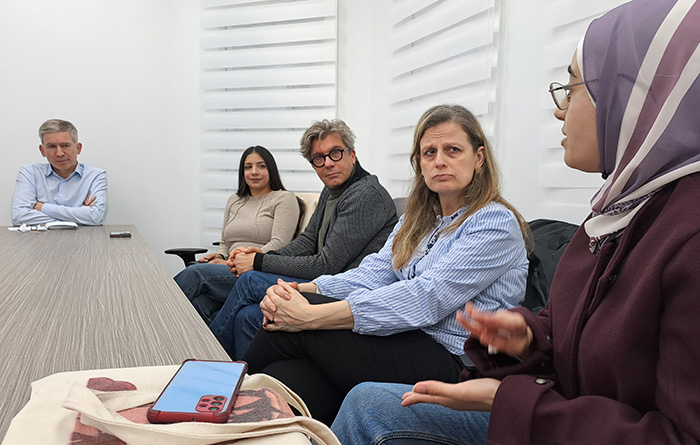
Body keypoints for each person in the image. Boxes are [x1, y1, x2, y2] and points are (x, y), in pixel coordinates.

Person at [331, 0, 700, 443]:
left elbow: (678, 434)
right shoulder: (613, 215)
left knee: (361, 399)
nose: (560, 110)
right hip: (546, 407)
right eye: (429, 153)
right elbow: (581, 345)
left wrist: (518, 402)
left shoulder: (687, 237)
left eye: (572, 88)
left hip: (539, 413)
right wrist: (530, 337)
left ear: (635, 98)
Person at [241, 104, 531, 426]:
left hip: (458, 363)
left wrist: (311, 315)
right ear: (419, 164)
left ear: (478, 158)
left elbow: (426, 297)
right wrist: (303, 289)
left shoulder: (494, 222)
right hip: (406, 340)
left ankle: (216, 398)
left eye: (452, 150)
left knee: (287, 330)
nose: (439, 161)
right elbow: (373, 273)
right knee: (283, 376)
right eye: (429, 152)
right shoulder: (417, 220)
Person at [208, 118, 398, 358]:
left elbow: (327, 264)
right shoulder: (331, 190)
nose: (328, 163)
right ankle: (247, 376)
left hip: (347, 293)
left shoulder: (364, 194)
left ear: (352, 154)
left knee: (248, 281)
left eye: (335, 153)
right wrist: (266, 255)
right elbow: (307, 241)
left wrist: (259, 262)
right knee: (247, 316)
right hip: (325, 281)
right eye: (319, 158)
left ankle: (206, 356)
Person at [174, 145, 300, 321]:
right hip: (230, 267)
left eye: (261, 166)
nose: (254, 172)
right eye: (248, 167)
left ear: (271, 169)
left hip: (256, 270)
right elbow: (225, 241)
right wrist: (219, 255)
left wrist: (236, 262)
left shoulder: (284, 199)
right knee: (198, 304)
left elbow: (280, 244)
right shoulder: (235, 200)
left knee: (194, 273)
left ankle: (151, 310)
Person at [11, 119, 107, 226]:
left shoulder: (95, 176)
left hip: (81, 236)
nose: (59, 153)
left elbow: (97, 217)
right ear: (43, 151)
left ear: (78, 148)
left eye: (65, 145)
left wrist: (43, 207)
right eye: (51, 146)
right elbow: (19, 217)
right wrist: (81, 216)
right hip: (41, 236)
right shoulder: (30, 173)